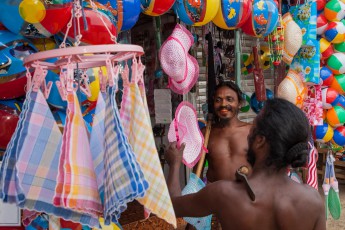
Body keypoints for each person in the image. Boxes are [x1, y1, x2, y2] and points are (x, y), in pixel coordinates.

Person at [166, 98, 326, 230]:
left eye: (252, 130)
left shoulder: (224, 193)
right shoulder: (313, 200)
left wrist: (174, 165)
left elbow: (171, 205)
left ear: (259, 141)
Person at [201, 81, 252, 182]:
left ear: (240, 104)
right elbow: (197, 172)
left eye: (229, 99)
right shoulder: (206, 133)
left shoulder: (252, 131)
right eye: (218, 100)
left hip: (246, 194)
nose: (223, 104)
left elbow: (264, 167)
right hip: (216, 195)